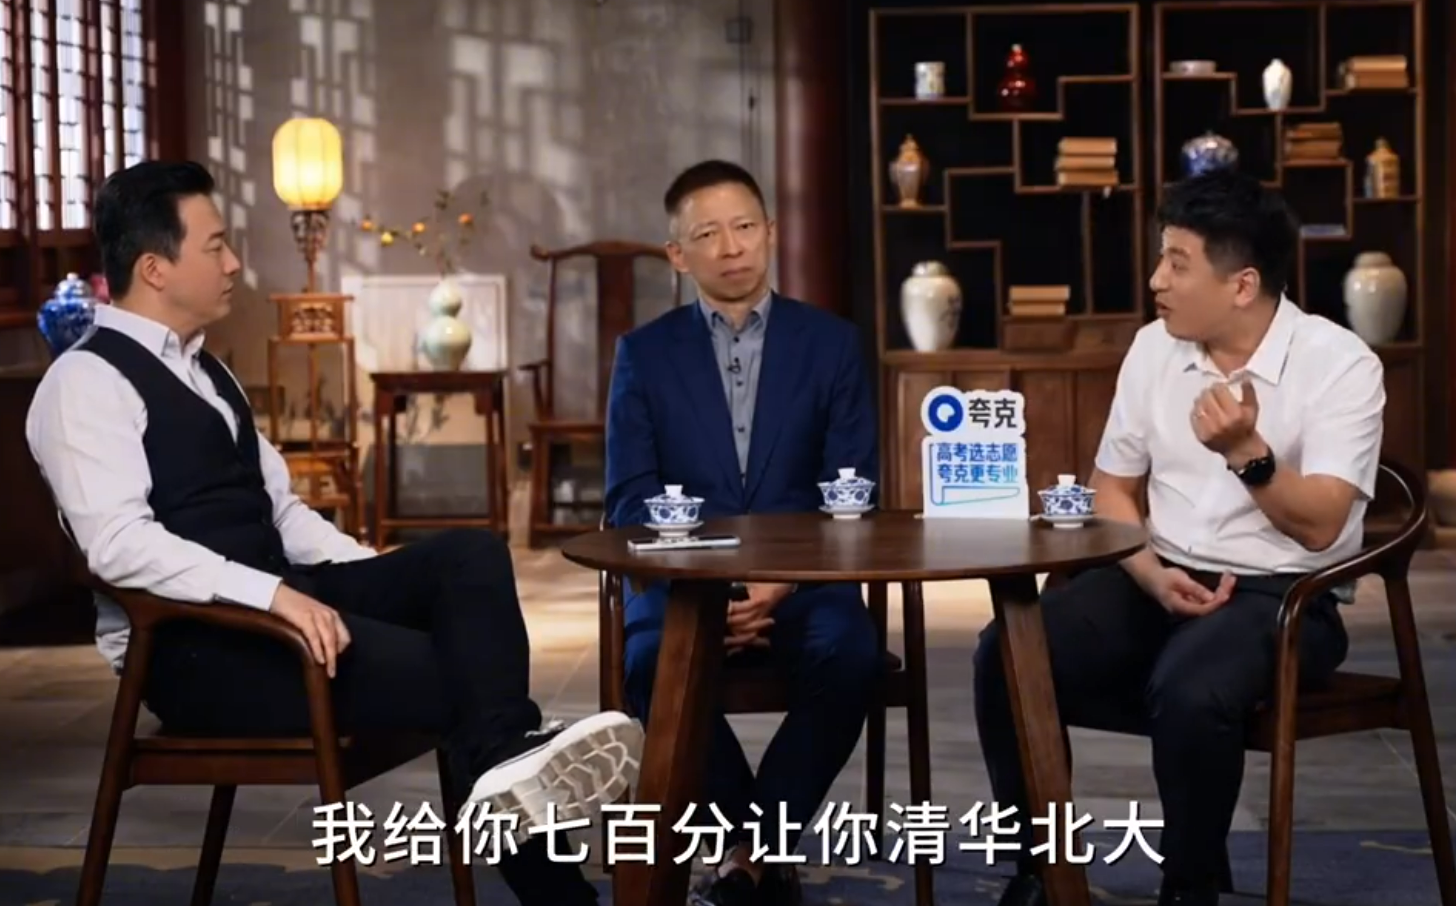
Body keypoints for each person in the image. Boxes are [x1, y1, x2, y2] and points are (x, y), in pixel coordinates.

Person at [26, 160, 643, 906]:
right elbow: (119, 546)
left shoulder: (207, 372)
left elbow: (282, 514)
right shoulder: (84, 383)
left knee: (469, 559)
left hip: (280, 614)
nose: (234, 263)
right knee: (466, 681)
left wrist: (381, 582)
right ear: (155, 268)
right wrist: (276, 597)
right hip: (197, 655)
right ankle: (537, 823)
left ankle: (510, 757)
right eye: (216, 246)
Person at [973, 168, 1383, 906]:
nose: (1156, 280)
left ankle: (1189, 888)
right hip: (1157, 573)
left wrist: (1248, 455)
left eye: (1177, 263)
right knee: (1007, 652)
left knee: (1190, 688)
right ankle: (1041, 873)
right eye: (1161, 257)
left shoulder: (1341, 364)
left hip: (1283, 595)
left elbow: (1324, 523)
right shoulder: (1153, 349)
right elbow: (1112, 488)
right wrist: (1149, 573)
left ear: (1242, 284)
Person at [603, 159, 881, 906]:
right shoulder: (644, 355)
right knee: (649, 662)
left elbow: (853, 490)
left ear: (772, 234)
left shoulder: (832, 344)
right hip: (685, 583)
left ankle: (745, 855)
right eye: (707, 234)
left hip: (804, 582)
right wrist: (712, 585)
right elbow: (628, 500)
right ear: (678, 254)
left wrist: (779, 582)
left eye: (745, 227)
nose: (731, 247)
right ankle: (754, 852)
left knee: (852, 654)